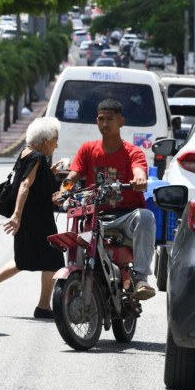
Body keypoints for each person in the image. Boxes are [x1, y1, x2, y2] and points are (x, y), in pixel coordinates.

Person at [60, 98, 156, 300]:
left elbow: (139, 169)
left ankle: (140, 278)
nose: (105, 124)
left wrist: (139, 178)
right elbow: (73, 174)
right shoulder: (88, 149)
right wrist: (64, 188)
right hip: (95, 216)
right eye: (101, 119)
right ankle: (75, 277)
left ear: (121, 121)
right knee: (74, 235)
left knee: (146, 216)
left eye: (110, 119)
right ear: (96, 121)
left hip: (126, 216)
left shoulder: (133, 152)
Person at [0, 117, 64, 319]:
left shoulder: (27, 154)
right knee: (52, 259)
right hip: (35, 218)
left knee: (25, 259)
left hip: (33, 217)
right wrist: (16, 216)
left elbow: (31, 181)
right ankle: (43, 307)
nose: (57, 144)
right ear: (46, 140)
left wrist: (51, 172)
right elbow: (24, 185)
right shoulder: (38, 157)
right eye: (55, 139)